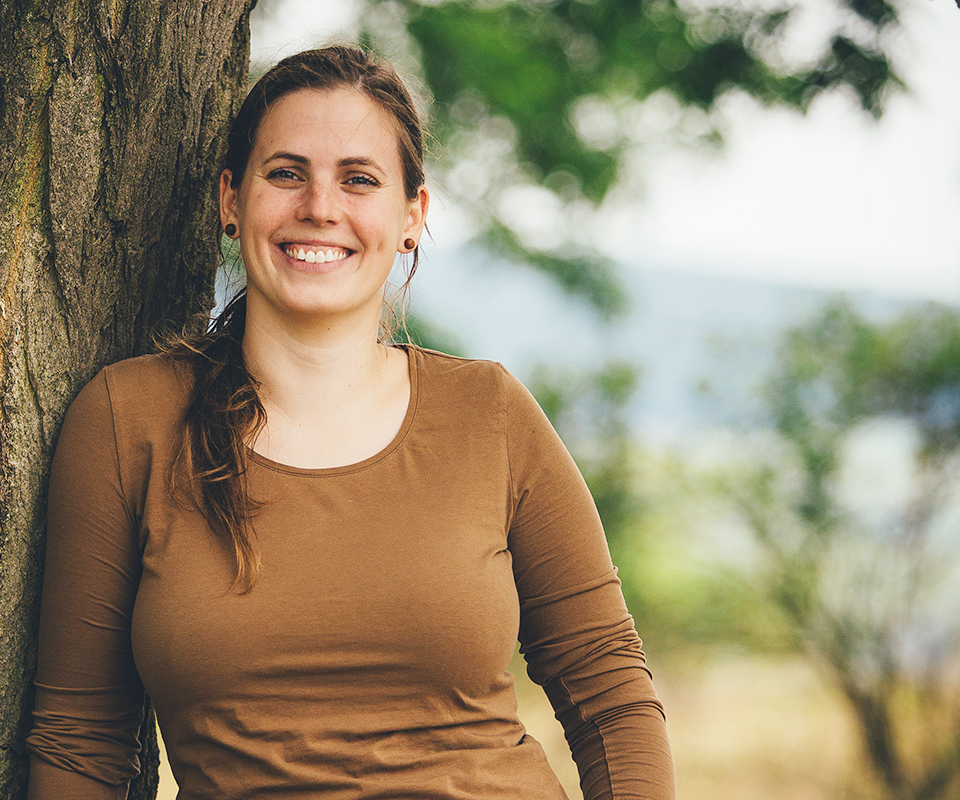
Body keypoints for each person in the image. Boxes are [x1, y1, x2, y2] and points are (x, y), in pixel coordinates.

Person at [26, 45, 675, 800]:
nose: (320, 207)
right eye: (286, 172)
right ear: (231, 200)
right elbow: (82, 740)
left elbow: (611, 697)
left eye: (359, 179)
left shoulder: (489, 414)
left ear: (410, 217)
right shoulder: (127, 419)